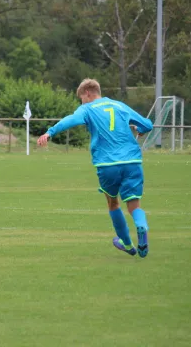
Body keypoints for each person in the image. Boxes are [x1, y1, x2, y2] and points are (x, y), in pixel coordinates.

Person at [37, 79, 153, 258]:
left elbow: (71, 120)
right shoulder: (119, 105)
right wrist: (140, 129)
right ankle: (141, 225)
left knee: (113, 203)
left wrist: (50, 132)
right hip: (132, 161)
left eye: (81, 98)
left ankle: (127, 243)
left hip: (107, 163)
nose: (81, 102)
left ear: (88, 93)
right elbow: (147, 124)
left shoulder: (87, 108)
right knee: (133, 204)